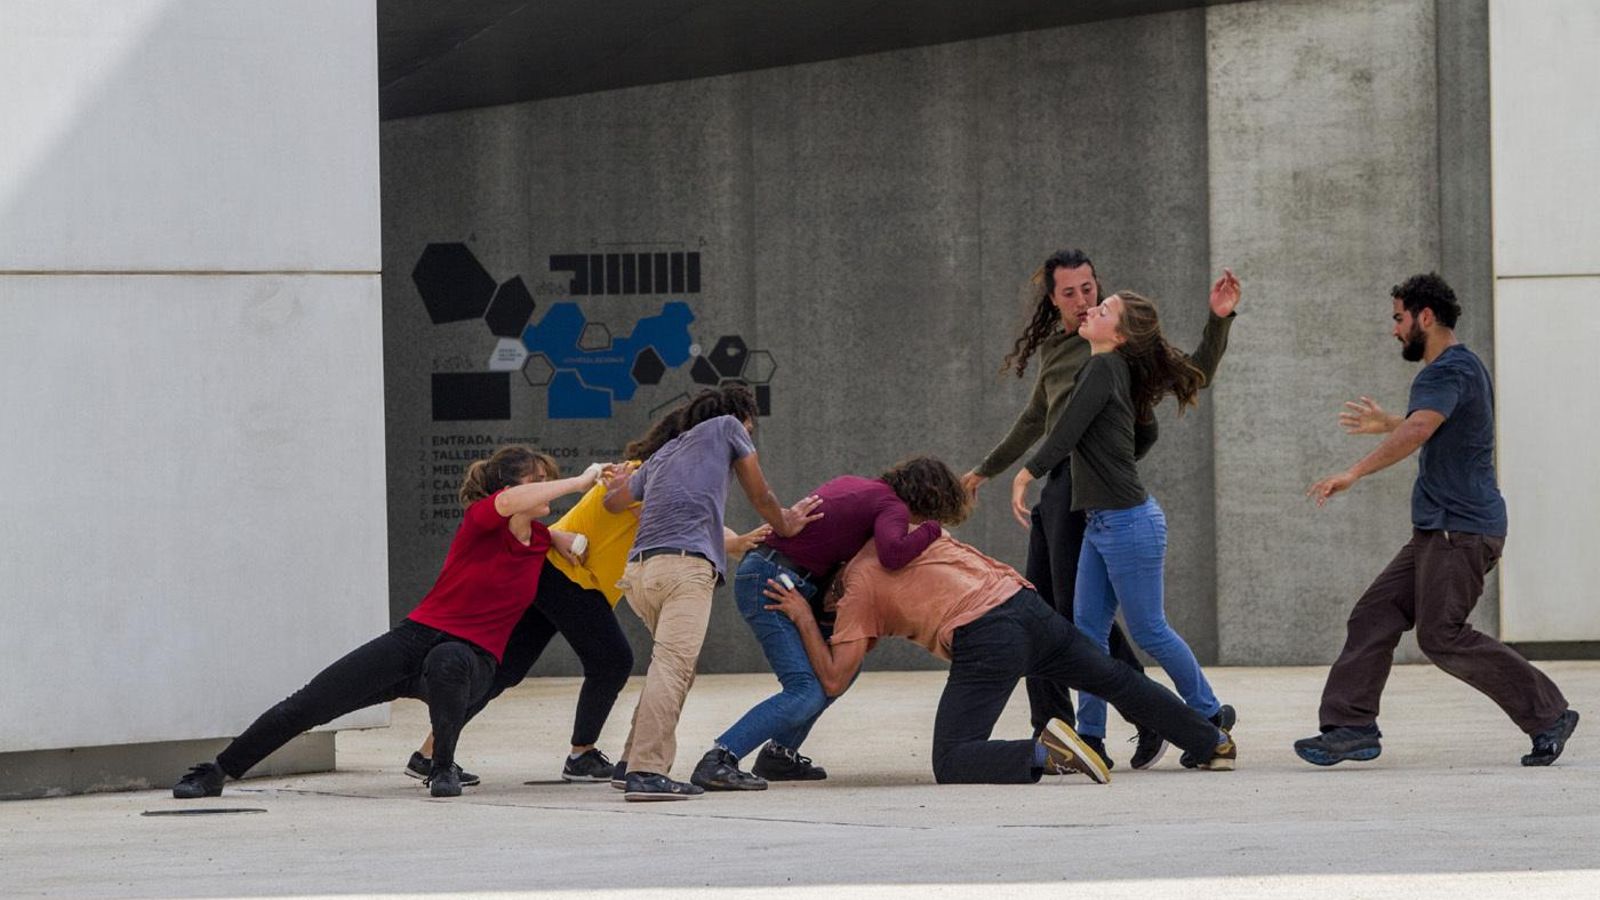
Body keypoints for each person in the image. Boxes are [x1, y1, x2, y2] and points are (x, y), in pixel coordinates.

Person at [172, 446, 600, 799]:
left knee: (451, 659)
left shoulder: (541, 539)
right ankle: (219, 771)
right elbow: (508, 508)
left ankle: (442, 767)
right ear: (508, 489)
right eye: (538, 479)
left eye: (551, 478)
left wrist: (569, 535)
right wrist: (581, 482)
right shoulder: (483, 518)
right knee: (311, 702)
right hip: (415, 638)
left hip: (474, 657)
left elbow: (551, 535)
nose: (549, 486)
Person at [961, 248, 1239, 769]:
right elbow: (1036, 421)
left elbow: (1193, 374)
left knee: (1099, 621)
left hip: (1098, 497)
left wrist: (1218, 321)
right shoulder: (1068, 350)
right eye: (1070, 293)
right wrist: (987, 470)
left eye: (1090, 290)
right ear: (1053, 298)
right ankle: (1084, 733)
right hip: (1074, 494)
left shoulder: (1117, 352)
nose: (1083, 300)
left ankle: (1175, 715)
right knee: (1061, 616)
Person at [1299, 273, 1578, 767]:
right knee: (1375, 614)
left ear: (1424, 317)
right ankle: (1351, 727)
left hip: (1460, 530)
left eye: (1398, 318)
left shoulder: (1444, 371)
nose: (1394, 330)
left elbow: (1423, 427)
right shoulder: (1461, 367)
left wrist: (1353, 472)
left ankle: (1548, 713)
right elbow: (1432, 423)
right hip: (1441, 529)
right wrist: (1390, 422)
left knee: (1441, 634)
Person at [761, 496, 1235, 786]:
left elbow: (834, 676)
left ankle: (1048, 751)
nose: (835, 624)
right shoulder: (891, 535)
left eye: (829, 615)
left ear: (830, 595)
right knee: (1116, 679)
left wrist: (804, 617)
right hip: (1026, 606)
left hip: (987, 635)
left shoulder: (854, 594)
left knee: (951, 758)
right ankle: (1211, 740)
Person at [1021, 291, 1233, 767]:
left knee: (1149, 631)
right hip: (1103, 523)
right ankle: (1091, 738)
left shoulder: (1103, 368)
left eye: (1103, 309)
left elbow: (1068, 429)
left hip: (1129, 523)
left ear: (1118, 334)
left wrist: (1026, 472)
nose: (1091, 309)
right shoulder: (1113, 368)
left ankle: (1210, 713)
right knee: (1087, 636)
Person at [689, 457, 972, 792]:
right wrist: (932, 530)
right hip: (775, 581)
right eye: (930, 514)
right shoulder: (892, 506)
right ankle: (719, 759)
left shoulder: (859, 485)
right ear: (927, 500)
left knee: (841, 669)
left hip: (779, 574)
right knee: (804, 690)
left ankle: (779, 754)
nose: (922, 523)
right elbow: (893, 554)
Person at [601, 385, 822, 800]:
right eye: (750, 428)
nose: (749, 434)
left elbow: (614, 503)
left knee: (670, 665)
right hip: (685, 568)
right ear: (740, 417)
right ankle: (646, 772)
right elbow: (759, 492)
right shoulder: (726, 427)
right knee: (673, 666)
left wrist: (620, 481)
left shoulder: (662, 454)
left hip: (640, 573)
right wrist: (786, 523)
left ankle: (630, 761)